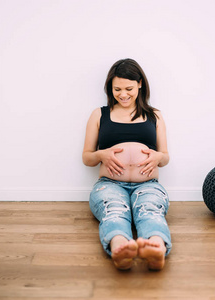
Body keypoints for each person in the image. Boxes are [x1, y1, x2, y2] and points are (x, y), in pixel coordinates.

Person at [82, 58, 171, 270]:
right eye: (117, 89)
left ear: (140, 84)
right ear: (110, 88)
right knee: (114, 210)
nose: (123, 94)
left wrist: (159, 157)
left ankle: (156, 248)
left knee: (149, 210)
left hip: (148, 184)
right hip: (109, 184)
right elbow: (86, 157)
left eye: (129, 88)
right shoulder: (99, 115)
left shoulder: (154, 115)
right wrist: (101, 154)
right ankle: (120, 248)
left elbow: (165, 157)